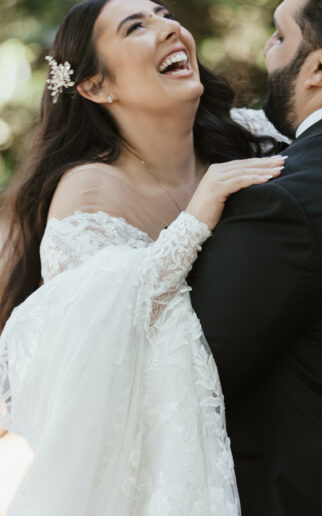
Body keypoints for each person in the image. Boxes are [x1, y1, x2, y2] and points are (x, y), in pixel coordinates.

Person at [0, 0, 289, 514]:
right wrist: (195, 220)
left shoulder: (248, 133)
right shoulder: (89, 191)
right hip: (162, 468)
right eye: (138, 26)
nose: (169, 28)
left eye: (164, 14)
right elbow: (96, 340)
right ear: (95, 86)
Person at [188, 0, 322, 514]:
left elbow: (200, 373)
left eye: (280, 37)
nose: (266, 49)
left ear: (321, 67)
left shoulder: (284, 200)